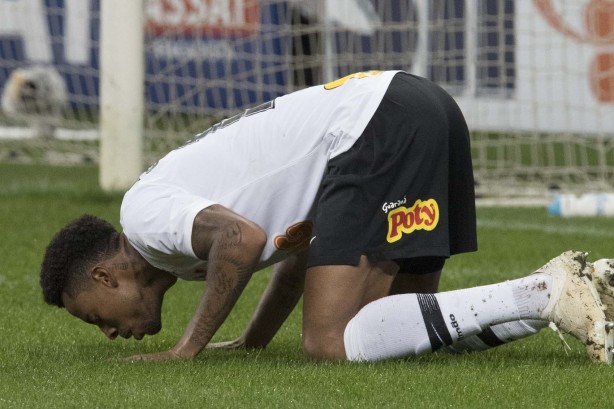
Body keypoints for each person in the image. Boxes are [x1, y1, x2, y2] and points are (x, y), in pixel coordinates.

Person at [39, 70, 614, 363]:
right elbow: (301, 250)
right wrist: (251, 342)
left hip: (375, 123)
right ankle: (586, 295)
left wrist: (188, 347)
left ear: (104, 277)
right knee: (397, 333)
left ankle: (544, 292)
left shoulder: (142, 216)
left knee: (329, 342)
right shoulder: (179, 240)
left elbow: (242, 240)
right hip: (419, 105)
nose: (112, 333)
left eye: (98, 319)